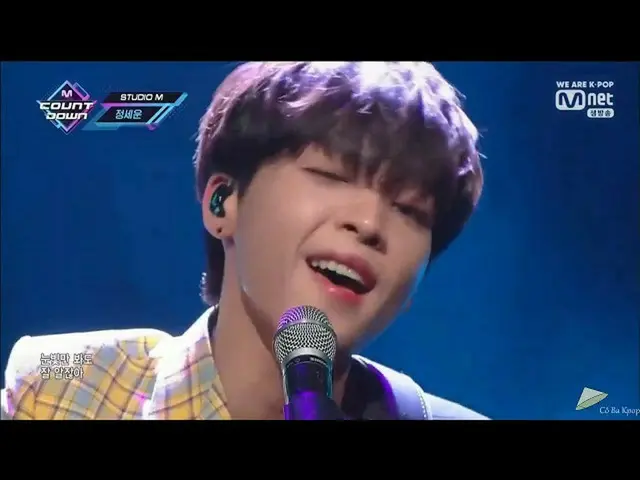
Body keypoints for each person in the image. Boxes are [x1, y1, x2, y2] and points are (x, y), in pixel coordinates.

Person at [1, 62, 487, 420]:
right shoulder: (58, 378)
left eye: (408, 210)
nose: (369, 223)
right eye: (332, 176)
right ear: (223, 203)